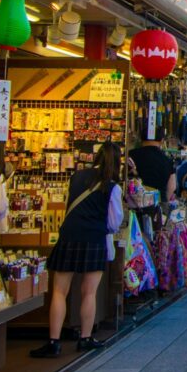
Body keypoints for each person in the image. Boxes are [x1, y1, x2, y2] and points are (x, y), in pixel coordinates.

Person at [31, 143, 124, 357]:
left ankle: (53, 341)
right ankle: (85, 337)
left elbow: (67, 204)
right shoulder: (112, 187)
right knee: (88, 291)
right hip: (94, 239)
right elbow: (114, 222)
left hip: (69, 237)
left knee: (59, 291)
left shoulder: (77, 177)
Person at [128, 138, 176, 203]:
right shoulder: (167, 160)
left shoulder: (130, 155)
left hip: (133, 205)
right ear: (162, 141)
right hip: (158, 204)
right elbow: (172, 186)